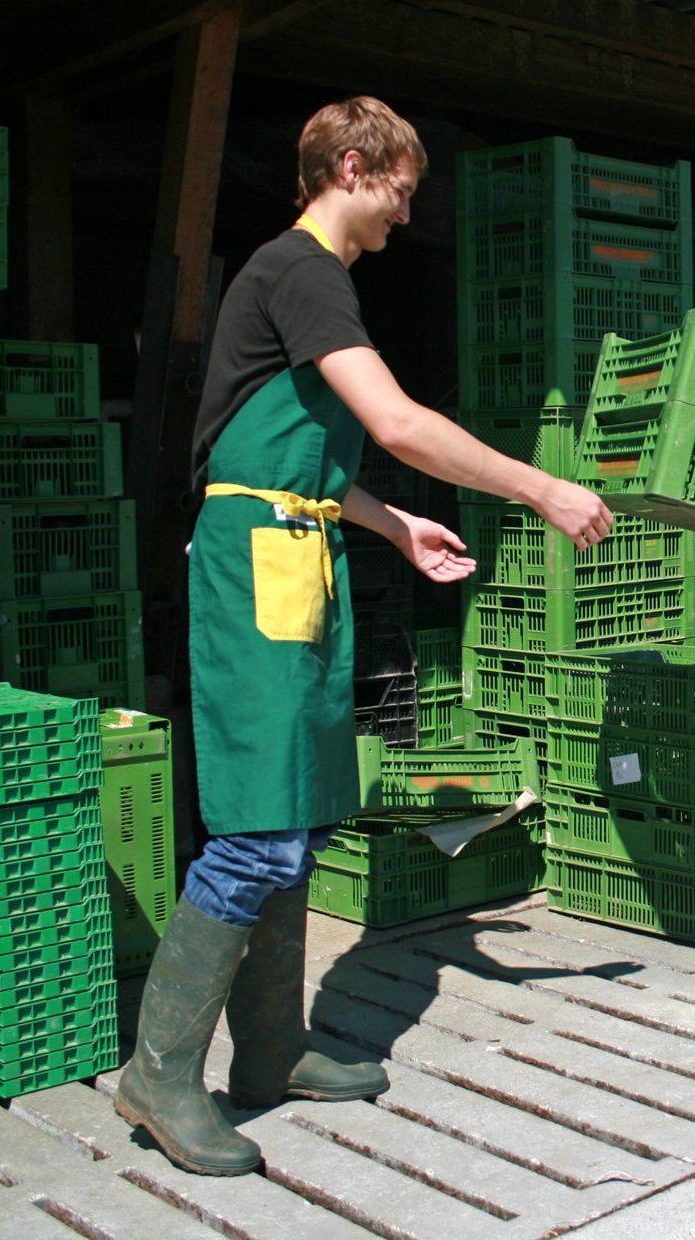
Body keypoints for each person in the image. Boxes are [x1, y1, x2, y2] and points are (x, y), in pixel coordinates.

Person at [115, 97, 612, 1177]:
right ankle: (157, 1075)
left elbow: (312, 458)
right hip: (254, 574)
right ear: (353, 165)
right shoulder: (301, 269)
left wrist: (391, 524)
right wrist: (538, 487)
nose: (405, 213)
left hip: (296, 560)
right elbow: (393, 423)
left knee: (291, 811)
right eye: (401, 189)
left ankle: (273, 1052)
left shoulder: (309, 283)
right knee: (255, 832)